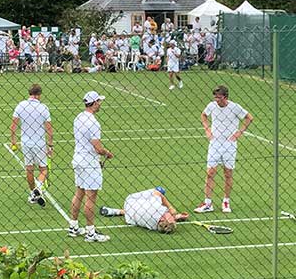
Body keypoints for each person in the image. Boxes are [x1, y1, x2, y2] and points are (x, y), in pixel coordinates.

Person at [194, 85, 254, 214]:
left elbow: (249, 118)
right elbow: (203, 115)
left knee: (228, 173)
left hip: (229, 145)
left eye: (219, 97)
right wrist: (207, 129)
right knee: (210, 173)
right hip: (215, 143)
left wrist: (240, 132)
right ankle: (208, 203)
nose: (216, 100)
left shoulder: (235, 107)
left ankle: (226, 201)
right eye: (215, 97)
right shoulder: (211, 105)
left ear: (225, 97)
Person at [69, 91, 113, 242]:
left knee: (79, 192)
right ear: (94, 103)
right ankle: (90, 233)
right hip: (89, 162)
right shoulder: (93, 122)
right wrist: (107, 153)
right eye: (99, 102)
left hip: (78, 159)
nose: (100, 104)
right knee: (91, 197)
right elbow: (97, 147)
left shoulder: (78, 118)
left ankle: (73, 227)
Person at [11, 83, 54, 207]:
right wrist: (50, 145)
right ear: (39, 95)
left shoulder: (21, 105)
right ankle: (38, 188)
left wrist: (13, 141)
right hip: (39, 143)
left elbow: (13, 126)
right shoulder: (43, 108)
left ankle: (32, 193)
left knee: (29, 169)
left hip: (25, 143)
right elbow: (49, 129)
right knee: (44, 169)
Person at [100, 187, 189, 233]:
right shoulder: (154, 227)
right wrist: (177, 217)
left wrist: (170, 207)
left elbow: (157, 193)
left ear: (163, 219)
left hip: (131, 200)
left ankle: (117, 211)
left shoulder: (157, 208)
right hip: (130, 217)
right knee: (141, 211)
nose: (173, 218)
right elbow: (164, 219)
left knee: (160, 190)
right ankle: (117, 211)